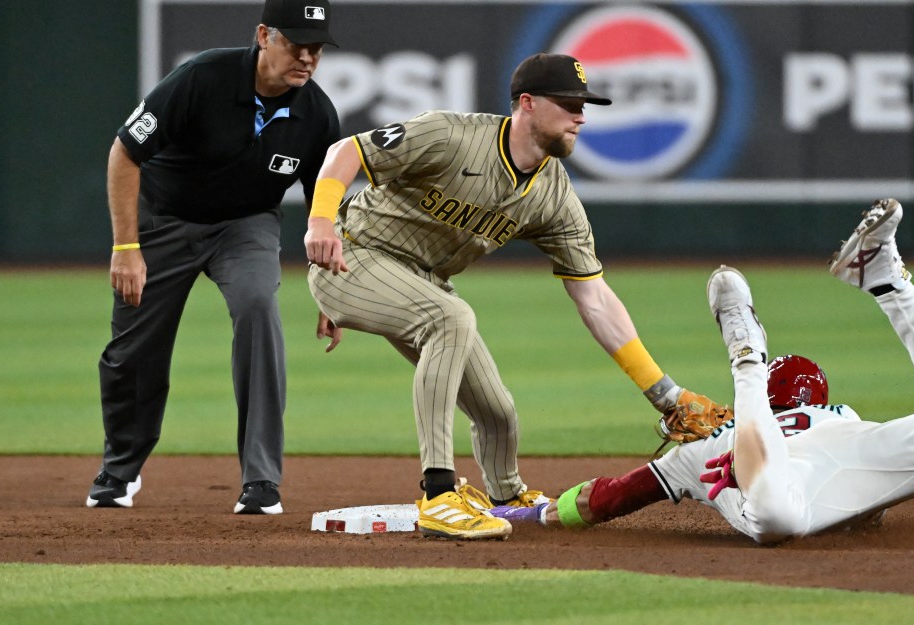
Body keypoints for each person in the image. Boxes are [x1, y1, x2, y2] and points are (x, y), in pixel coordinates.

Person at [303, 53, 727, 540]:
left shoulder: (554, 196)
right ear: (527, 104)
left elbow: (595, 299)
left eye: (584, 106)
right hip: (354, 256)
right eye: (569, 104)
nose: (581, 117)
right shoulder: (451, 135)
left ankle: (506, 497)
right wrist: (319, 223)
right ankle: (439, 496)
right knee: (451, 319)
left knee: (496, 412)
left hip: (422, 281)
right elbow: (346, 150)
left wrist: (665, 393)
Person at [489, 199, 914, 543]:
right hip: (850, 455)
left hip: (777, 481)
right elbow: (869, 508)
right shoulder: (841, 414)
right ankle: (891, 287)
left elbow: (609, 498)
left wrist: (539, 512)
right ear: (815, 398)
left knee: (779, 521)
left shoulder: (702, 448)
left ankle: (746, 357)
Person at [88, 0, 342, 515]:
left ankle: (262, 480)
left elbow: (326, 208)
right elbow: (124, 152)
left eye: (316, 48)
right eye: (296, 44)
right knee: (132, 352)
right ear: (264, 35)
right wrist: (125, 248)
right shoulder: (202, 77)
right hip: (165, 222)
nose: (307, 58)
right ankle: (120, 470)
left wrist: (334, 291)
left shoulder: (315, 113)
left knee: (258, 309)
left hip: (246, 226)